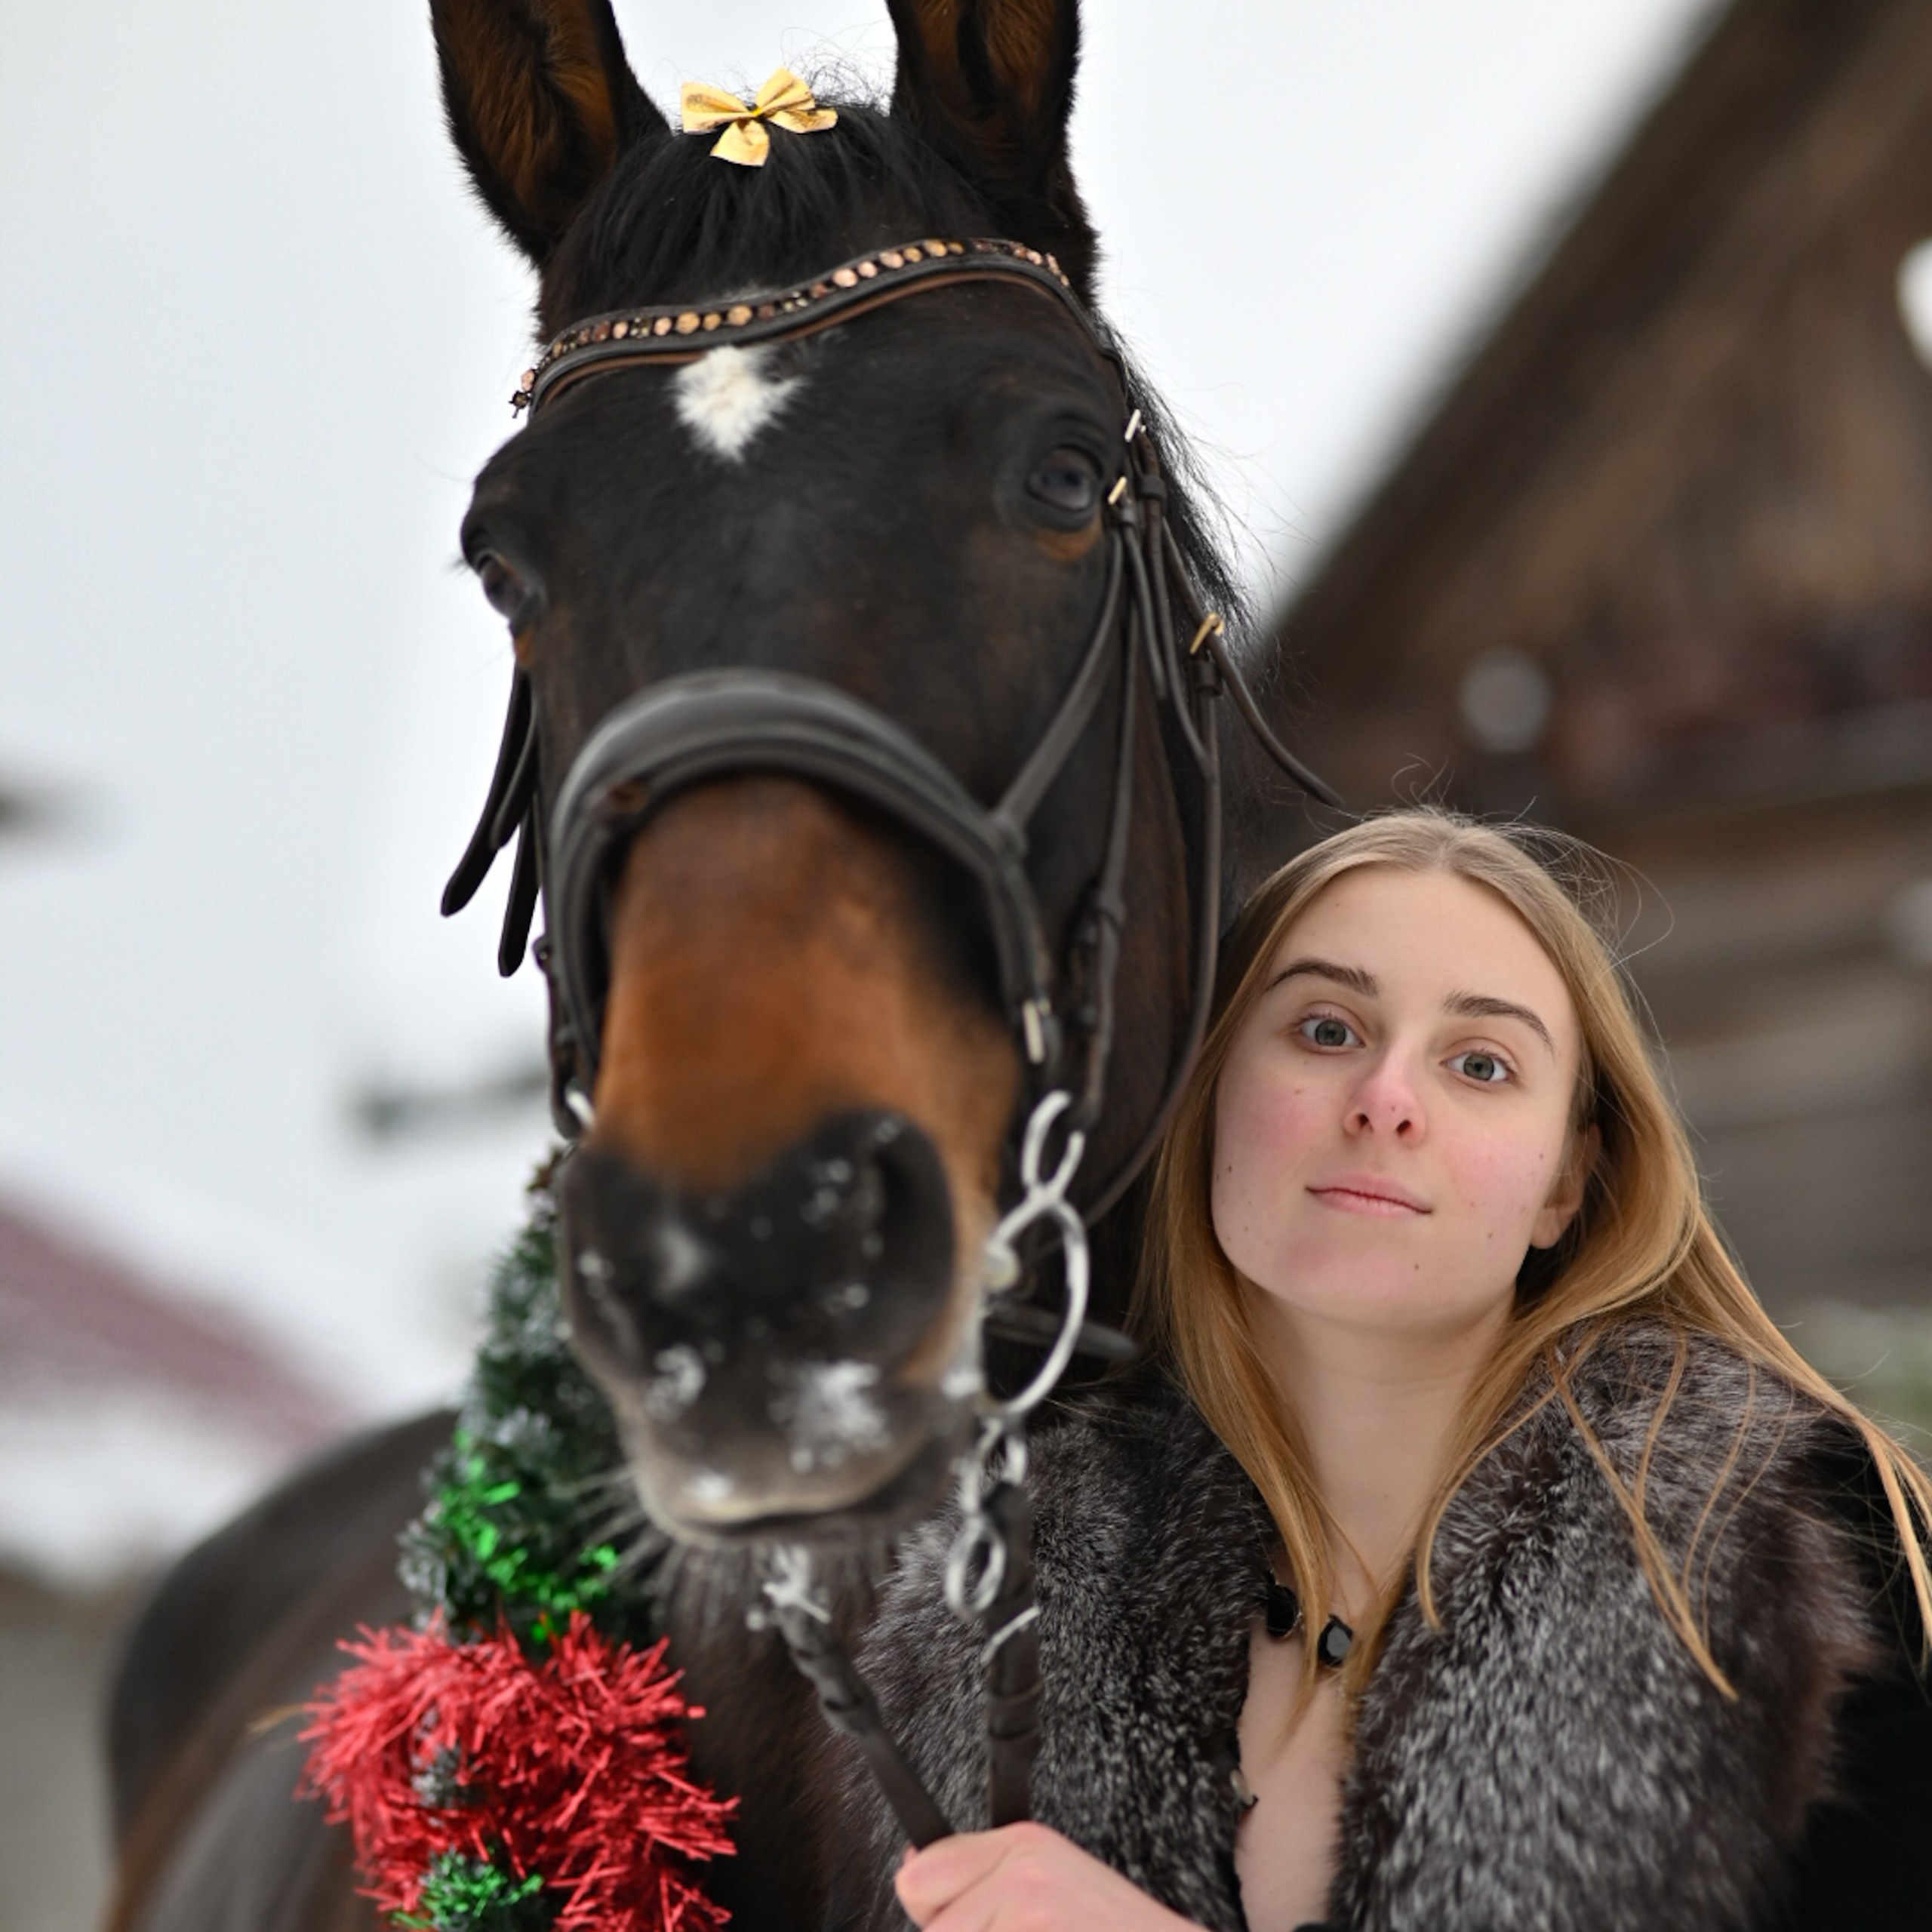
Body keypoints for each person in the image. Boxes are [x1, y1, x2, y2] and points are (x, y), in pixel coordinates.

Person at [826, 808, 1932, 1932]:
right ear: (1212, 1096)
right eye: (1323, 1029)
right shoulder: (990, 1612)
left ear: (1566, 1181)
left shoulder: (1799, 1558)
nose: (1387, 1098)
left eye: (1481, 1063)